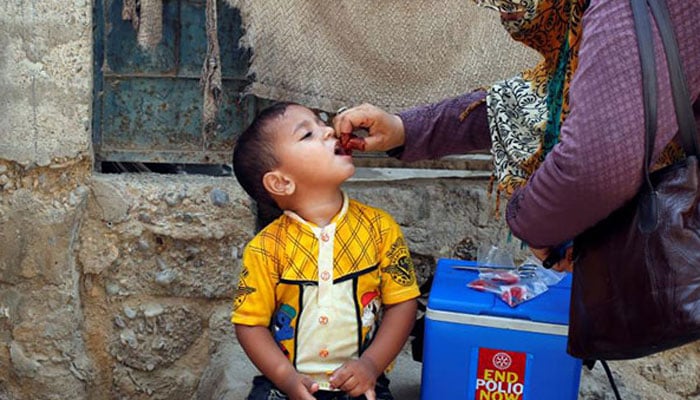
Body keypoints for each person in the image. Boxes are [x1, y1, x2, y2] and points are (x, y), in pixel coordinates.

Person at [332, 0, 700, 271]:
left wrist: (535, 223)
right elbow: (529, 103)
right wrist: (403, 129)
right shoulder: (579, 35)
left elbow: (594, 166)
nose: (508, 16)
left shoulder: (630, 11)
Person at [231, 101, 420, 400]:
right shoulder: (266, 249)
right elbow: (249, 325)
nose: (330, 131)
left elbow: (403, 304)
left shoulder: (380, 228)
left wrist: (371, 365)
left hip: (362, 385)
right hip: (288, 387)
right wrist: (287, 379)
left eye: (322, 123)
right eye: (307, 134)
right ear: (281, 182)